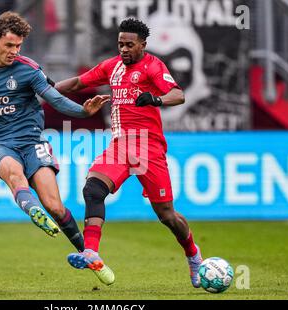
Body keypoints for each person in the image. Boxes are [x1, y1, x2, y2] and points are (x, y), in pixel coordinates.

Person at [0, 12, 110, 269]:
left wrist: (83, 112)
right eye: (9, 45)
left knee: (54, 205)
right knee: (14, 173)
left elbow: (54, 98)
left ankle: (88, 254)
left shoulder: (28, 69)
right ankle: (32, 211)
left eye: (18, 46)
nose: (14, 51)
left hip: (32, 142)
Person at [55, 18, 203, 288]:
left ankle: (193, 255)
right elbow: (78, 82)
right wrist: (44, 89)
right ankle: (90, 251)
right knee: (92, 189)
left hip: (149, 147)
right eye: (120, 44)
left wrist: (156, 99)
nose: (123, 49)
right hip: (121, 144)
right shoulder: (111, 67)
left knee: (167, 216)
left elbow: (177, 94)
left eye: (129, 45)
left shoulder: (153, 66)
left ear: (143, 45)